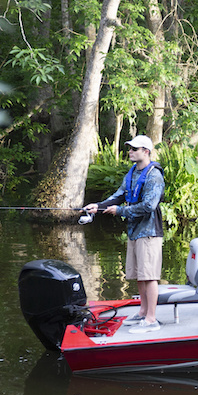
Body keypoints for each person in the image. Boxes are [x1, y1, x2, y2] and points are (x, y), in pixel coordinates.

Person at [84, 134, 165, 331]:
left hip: (149, 232)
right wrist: (99, 206)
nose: (130, 151)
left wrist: (121, 211)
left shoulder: (154, 175)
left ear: (146, 152)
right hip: (134, 232)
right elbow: (119, 195)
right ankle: (143, 312)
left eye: (134, 149)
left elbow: (149, 205)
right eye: (130, 148)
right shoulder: (132, 172)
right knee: (139, 275)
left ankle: (152, 319)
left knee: (150, 275)